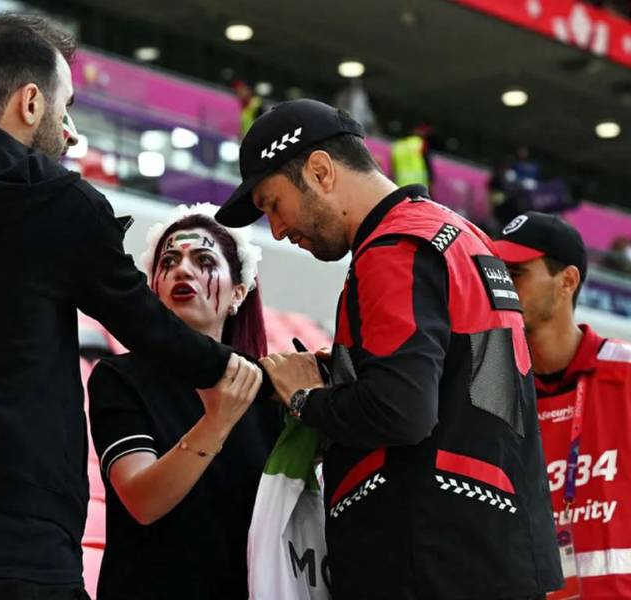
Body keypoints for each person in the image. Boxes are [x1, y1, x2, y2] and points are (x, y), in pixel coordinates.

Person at [0, 15, 259, 600]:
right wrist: (234, 373)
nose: (72, 131)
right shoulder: (61, 205)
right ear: (30, 102)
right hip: (18, 553)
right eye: (66, 107)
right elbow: (149, 328)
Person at [216, 99, 562, 600]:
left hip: (425, 559)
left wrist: (304, 400)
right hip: (495, 550)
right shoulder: (460, 236)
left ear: (320, 170)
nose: (278, 230)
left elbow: (400, 411)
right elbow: (456, 381)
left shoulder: (394, 248)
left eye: (273, 204)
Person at [88, 204, 280, 599]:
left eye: (203, 259)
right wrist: (217, 422)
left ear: (238, 293)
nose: (182, 270)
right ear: (153, 288)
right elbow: (143, 501)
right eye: (169, 261)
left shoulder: (268, 390)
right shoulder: (119, 377)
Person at [494, 212, 631, 599]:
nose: (500, 285)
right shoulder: (489, 389)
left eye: (516, 273)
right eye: (497, 271)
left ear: (567, 281)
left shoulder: (625, 375)